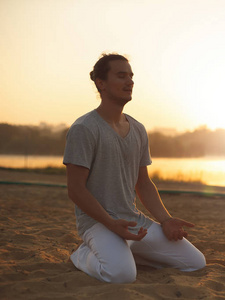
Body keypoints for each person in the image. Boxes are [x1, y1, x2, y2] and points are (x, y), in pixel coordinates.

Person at [63, 53, 206, 283]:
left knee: (195, 263)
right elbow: (76, 189)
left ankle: (125, 253)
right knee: (121, 275)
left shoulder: (138, 129)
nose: (130, 81)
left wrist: (166, 220)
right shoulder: (84, 128)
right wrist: (111, 224)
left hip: (133, 221)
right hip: (99, 224)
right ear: (101, 83)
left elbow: (144, 183)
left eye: (131, 76)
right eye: (121, 76)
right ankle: (82, 255)